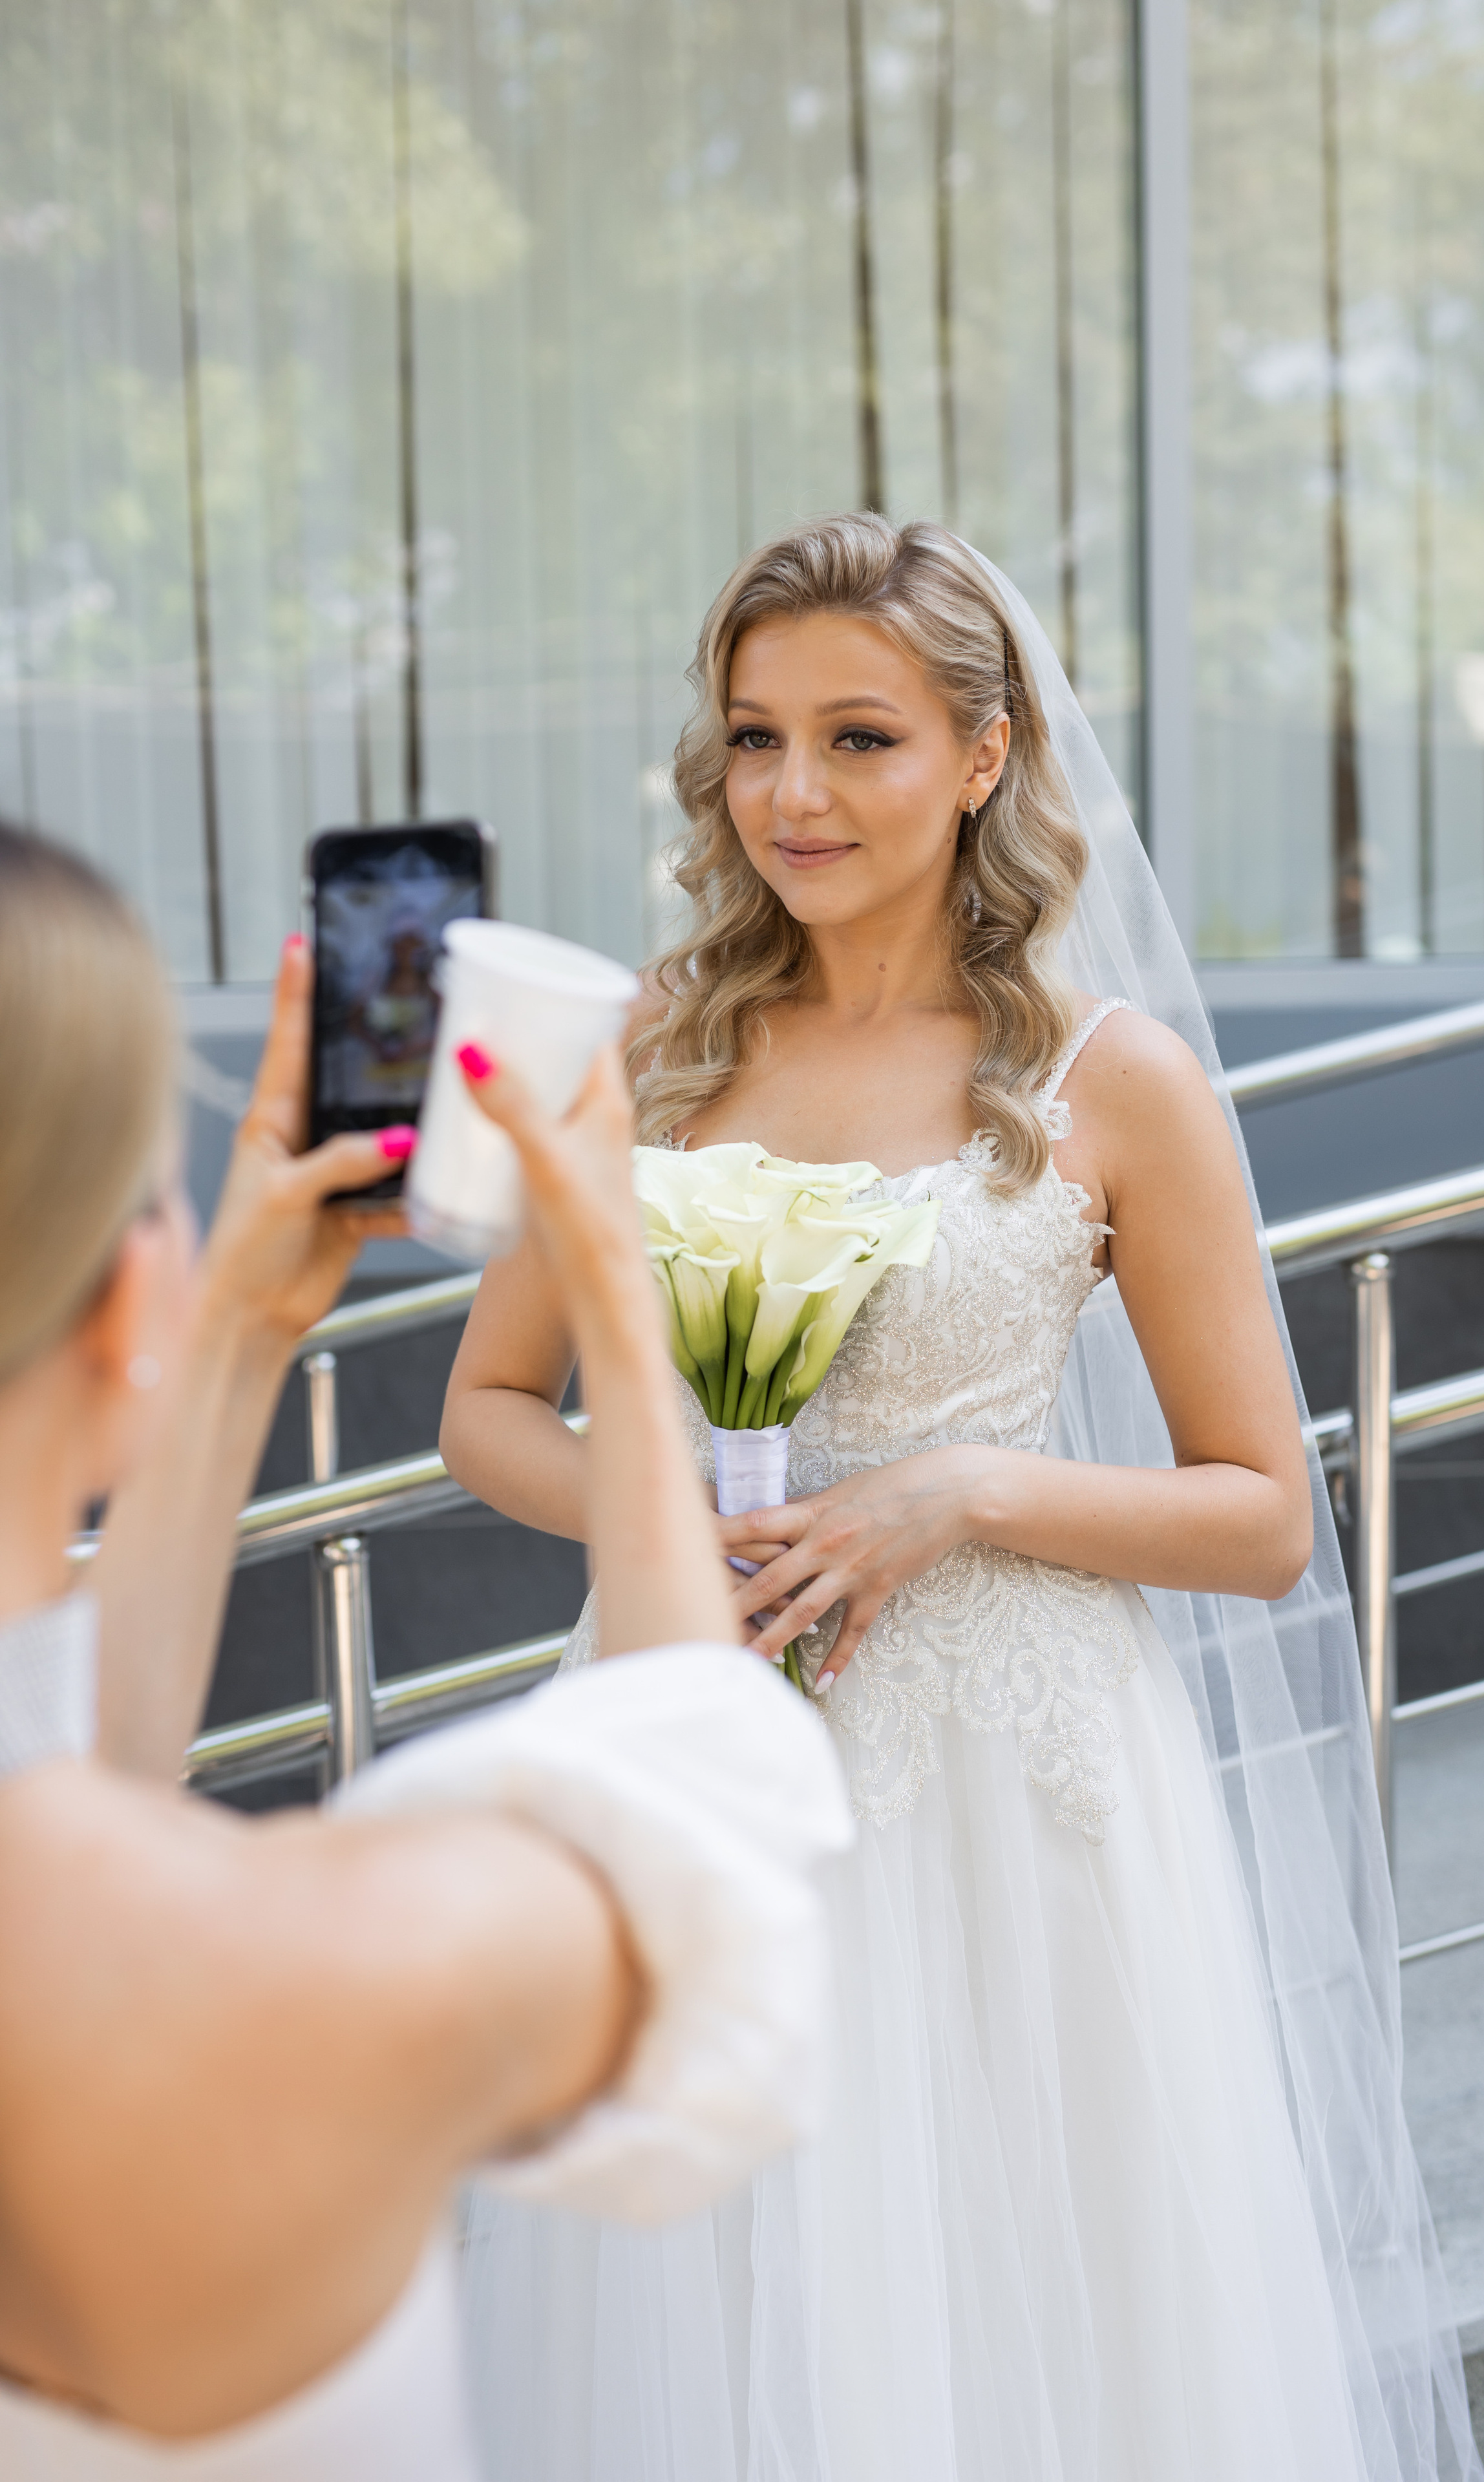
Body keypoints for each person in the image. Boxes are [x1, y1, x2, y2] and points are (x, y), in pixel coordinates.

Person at [441, 515, 1483, 2482]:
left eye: (861, 739)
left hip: (1017, 1803)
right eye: (755, 740)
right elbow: (487, 1411)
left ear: (986, 753)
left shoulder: (1115, 1080)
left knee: (1042, 2327)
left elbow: (1263, 1513)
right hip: (690, 1727)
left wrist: (963, 1489)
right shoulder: (649, 1052)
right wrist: (659, 1507)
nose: (793, 794)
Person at [0, 822, 851, 2477]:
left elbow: (74, 1754)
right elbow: (710, 1874)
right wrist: (613, 1285)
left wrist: (241, 1324)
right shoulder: (262, 1970)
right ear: (122, 1307)